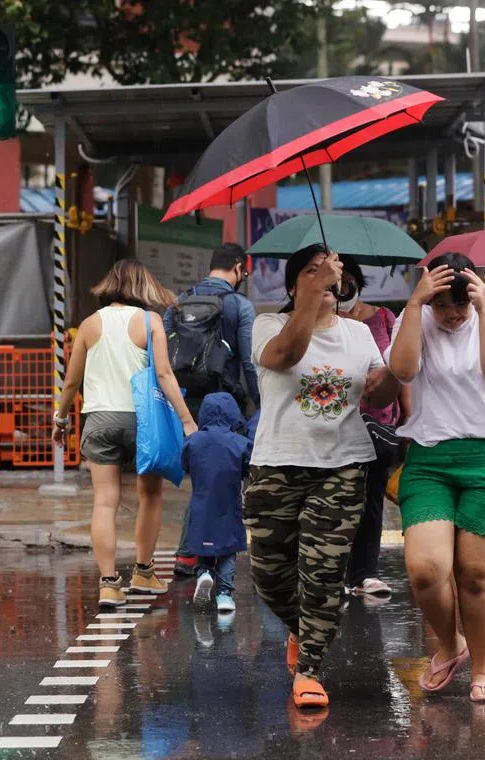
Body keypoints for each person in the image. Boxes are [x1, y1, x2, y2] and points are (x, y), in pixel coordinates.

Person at [245, 243, 400, 710]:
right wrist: (314, 290)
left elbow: (381, 394)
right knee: (269, 575)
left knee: (324, 573)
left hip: (343, 465)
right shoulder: (268, 325)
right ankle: (302, 629)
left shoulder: (359, 334)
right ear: (294, 286)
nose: (326, 277)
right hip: (276, 463)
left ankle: (310, 670)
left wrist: (396, 369)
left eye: (330, 271)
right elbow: (287, 355)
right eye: (311, 272)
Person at [386, 253, 485, 705]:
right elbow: (403, 370)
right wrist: (414, 305)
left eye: (460, 304)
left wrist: (482, 310)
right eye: (442, 305)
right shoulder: (417, 315)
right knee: (426, 571)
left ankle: (482, 669)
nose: (452, 315)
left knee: (474, 574)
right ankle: (451, 645)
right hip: (430, 458)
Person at [53, 260, 198, 609]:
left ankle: (108, 584)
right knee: (150, 494)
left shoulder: (90, 324)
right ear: (142, 287)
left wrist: (60, 419)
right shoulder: (150, 321)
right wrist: (187, 420)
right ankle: (143, 572)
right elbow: (164, 374)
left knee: (105, 501)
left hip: (99, 420)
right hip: (142, 421)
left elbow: (71, 381)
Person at [168, 243, 260, 578]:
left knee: (204, 478)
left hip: (189, 401)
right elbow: (249, 362)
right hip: (225, 403)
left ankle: (192, 553)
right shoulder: (240, 305)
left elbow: (164, 355)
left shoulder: (179, 301)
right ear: (237, 267)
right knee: (220, 478)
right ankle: (195, 553)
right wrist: (260, 402)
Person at [337, 255, 411, 598]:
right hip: (333, 426)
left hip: (379, 427)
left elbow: (401, 370)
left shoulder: (383, 318)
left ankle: (365, 572)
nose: (341, 290)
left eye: (347, 284)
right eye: (334, 285)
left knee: (371, 500)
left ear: (358, 284)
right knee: (337, 498)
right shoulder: (321, 321)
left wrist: (408, 419)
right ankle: (334, 571)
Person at [184, 391, 253, 615]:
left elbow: (184, 464)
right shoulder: (240, 443)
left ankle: (204, 572)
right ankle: (224, 594)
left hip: (201, 503)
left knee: (203, 543)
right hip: (229, 505)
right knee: (228, 549)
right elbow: (248, 468)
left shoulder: (193, 441)